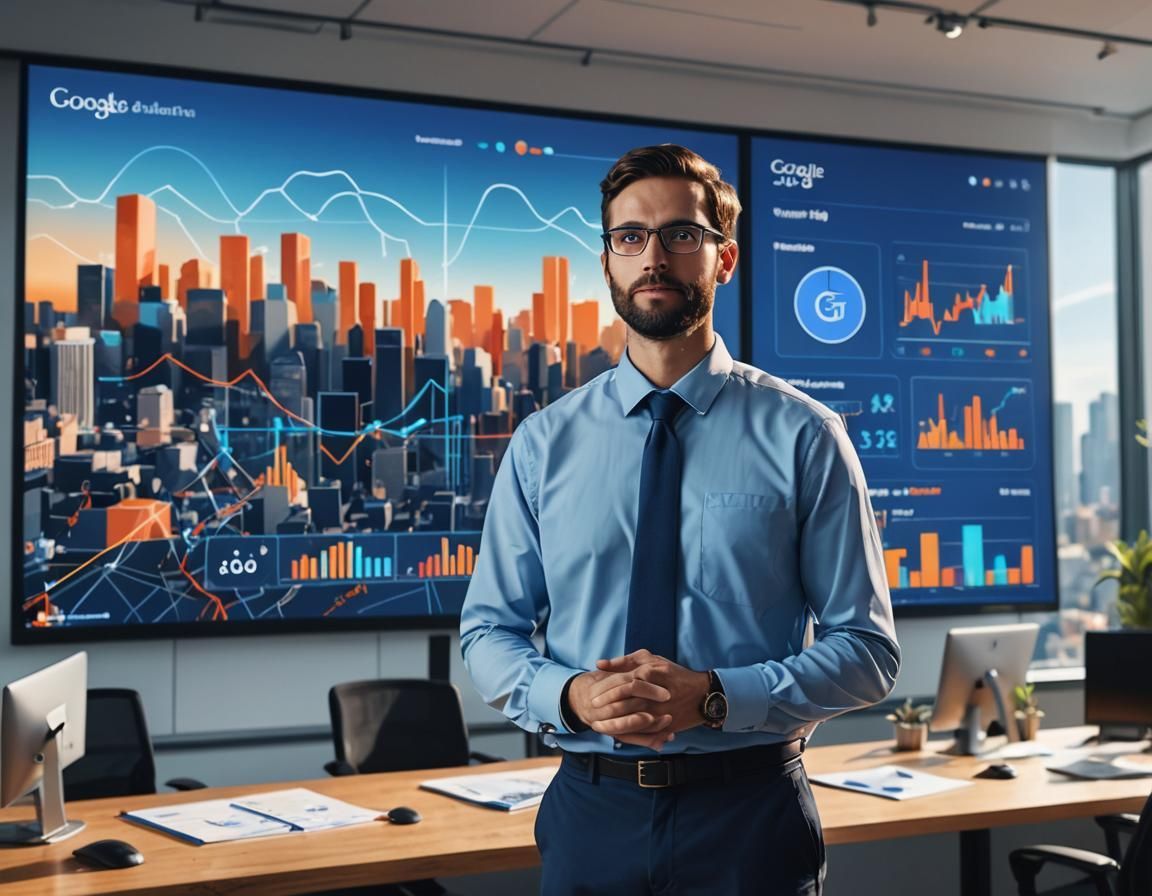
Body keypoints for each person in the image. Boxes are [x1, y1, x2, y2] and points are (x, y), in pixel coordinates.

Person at [460, 144, 900, 896]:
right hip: (589, 813)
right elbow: (488, 632)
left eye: (680, 235)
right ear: (607, 263)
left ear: (724, 260)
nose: (652, 257)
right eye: (629, 238)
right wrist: (569, 696)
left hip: (749, 816)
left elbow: (867, 651)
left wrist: (716, 695)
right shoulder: (544, 443)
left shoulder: (805, 435)